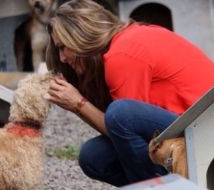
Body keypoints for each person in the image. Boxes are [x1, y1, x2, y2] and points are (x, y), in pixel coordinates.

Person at [46, 0, 214, 187]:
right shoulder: (125, 41)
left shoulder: (122, 54)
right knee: (93, 156)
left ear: (81, 35)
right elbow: (125, 138)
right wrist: (78, 105)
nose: (61, 58)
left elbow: (122, 125)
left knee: (120, 114)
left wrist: (78, 103)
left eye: (63, 47)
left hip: (206, 128)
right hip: (189, 125)